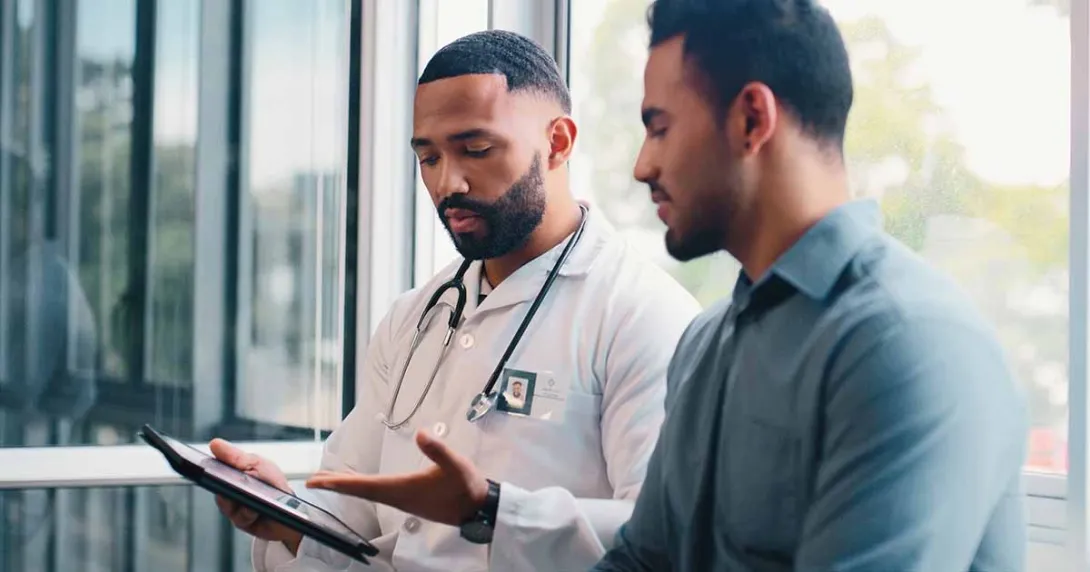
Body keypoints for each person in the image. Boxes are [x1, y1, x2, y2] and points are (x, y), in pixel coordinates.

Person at [211, 29, 701, 572]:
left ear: (558, 142)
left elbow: (663, 538)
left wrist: (494, 510)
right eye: (428, 157)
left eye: (476, 149)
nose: (449, 182)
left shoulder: (644, 317)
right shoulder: (414, 317)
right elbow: (353, 516)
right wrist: (284, 512)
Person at [592, 1, 1028, 571]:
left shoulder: (909, 345)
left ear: (752, 119)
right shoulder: (703, 343)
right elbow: (643, 561)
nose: (642, 166)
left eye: (659, 128)